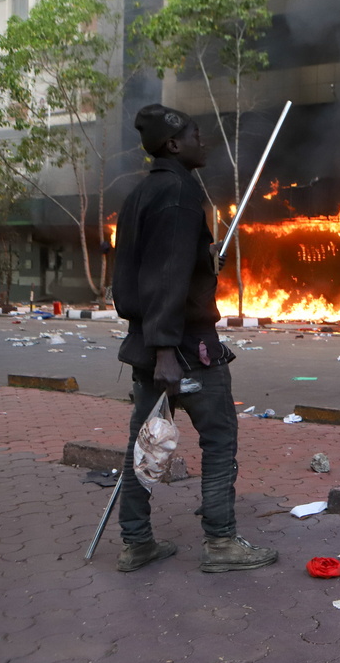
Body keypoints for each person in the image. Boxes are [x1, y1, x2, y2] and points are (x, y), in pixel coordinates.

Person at [112, 103, 277, 574]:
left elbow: (153, 267)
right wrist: (167, 351)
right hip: (185, 348)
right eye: (195, 135)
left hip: (148, 344)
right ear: (173, 144)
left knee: (144, 446)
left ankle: (136, 543)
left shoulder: (141, 193)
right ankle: (221, 542)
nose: (203, 143)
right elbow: (165, 277)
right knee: (219, 439)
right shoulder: (180, 193)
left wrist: (204, 262)